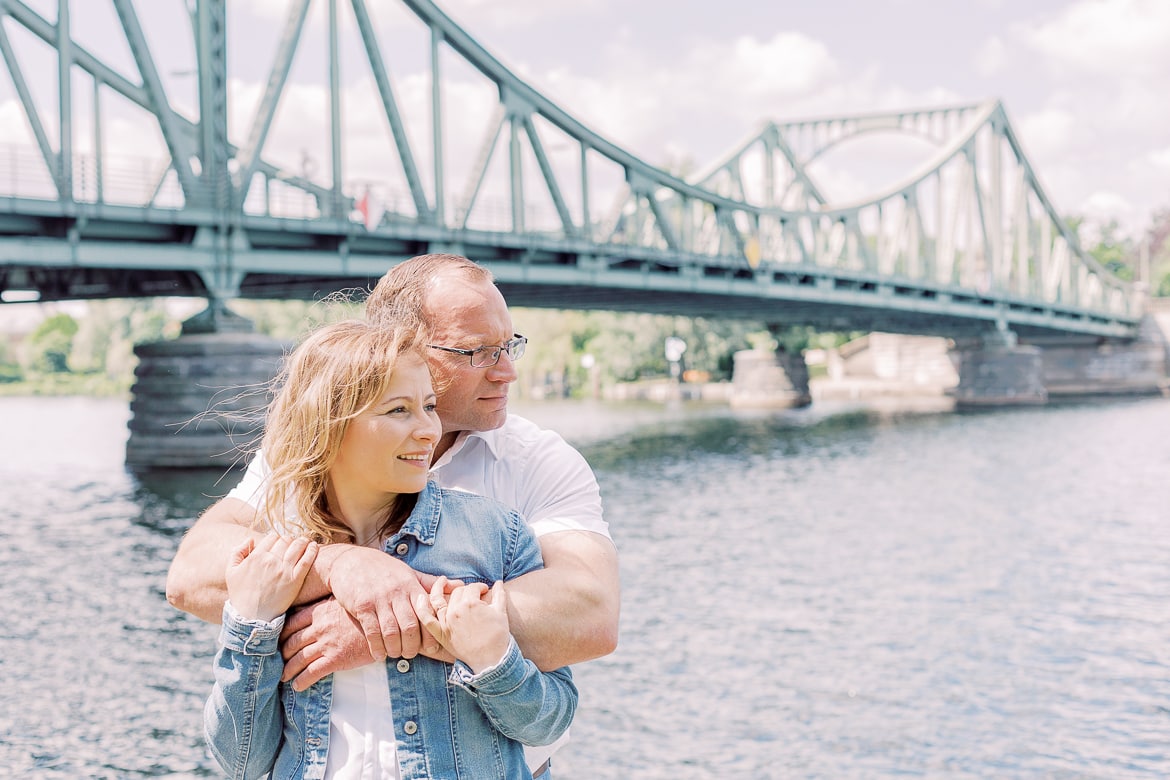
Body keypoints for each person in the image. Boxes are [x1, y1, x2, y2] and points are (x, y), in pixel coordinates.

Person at [167, 253, 619, 776]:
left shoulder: (536, 464)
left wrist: (378, 622)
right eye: (476, 352)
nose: (508, 370)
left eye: (508, 346)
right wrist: (339, 566)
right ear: (399, 347)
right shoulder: (309, 453)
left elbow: (590, 614)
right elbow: (192, 576)